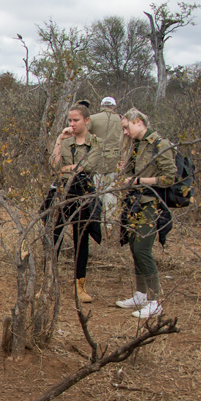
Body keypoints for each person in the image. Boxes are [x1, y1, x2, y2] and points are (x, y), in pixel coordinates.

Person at [115, 108, 178, 319]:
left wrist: (139, 181)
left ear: (139, 122)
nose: (125, 132)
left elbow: (169, 178)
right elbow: (130, 175)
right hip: (136, 203)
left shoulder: (160, 144)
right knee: (134, 245)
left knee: (143, 248)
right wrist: (125, 169)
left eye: (126, 127)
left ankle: (154, 301)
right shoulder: (137, 146)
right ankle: (141, 294)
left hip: (153, 203)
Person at [49, 103, 104, 303]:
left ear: (86, 121)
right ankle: (48, 281)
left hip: (84, 194)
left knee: (81, 240)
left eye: (76, 120)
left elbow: (87, 166)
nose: (72, 124)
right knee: (55, 236)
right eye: (70, 120)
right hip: (65, 193)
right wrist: (59, 140)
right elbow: (55, 167)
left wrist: (68, 168)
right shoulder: (65, 142)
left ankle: (80, 285)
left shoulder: (95, 142)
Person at [89, 97, 123, 223]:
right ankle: (108, 223)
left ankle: (95, 220)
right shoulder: (121, 120)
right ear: (114, 106)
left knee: (96, 190)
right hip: (115, 160)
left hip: (97, 159)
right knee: (111, 192)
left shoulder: (92, 118)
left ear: (102, 105)